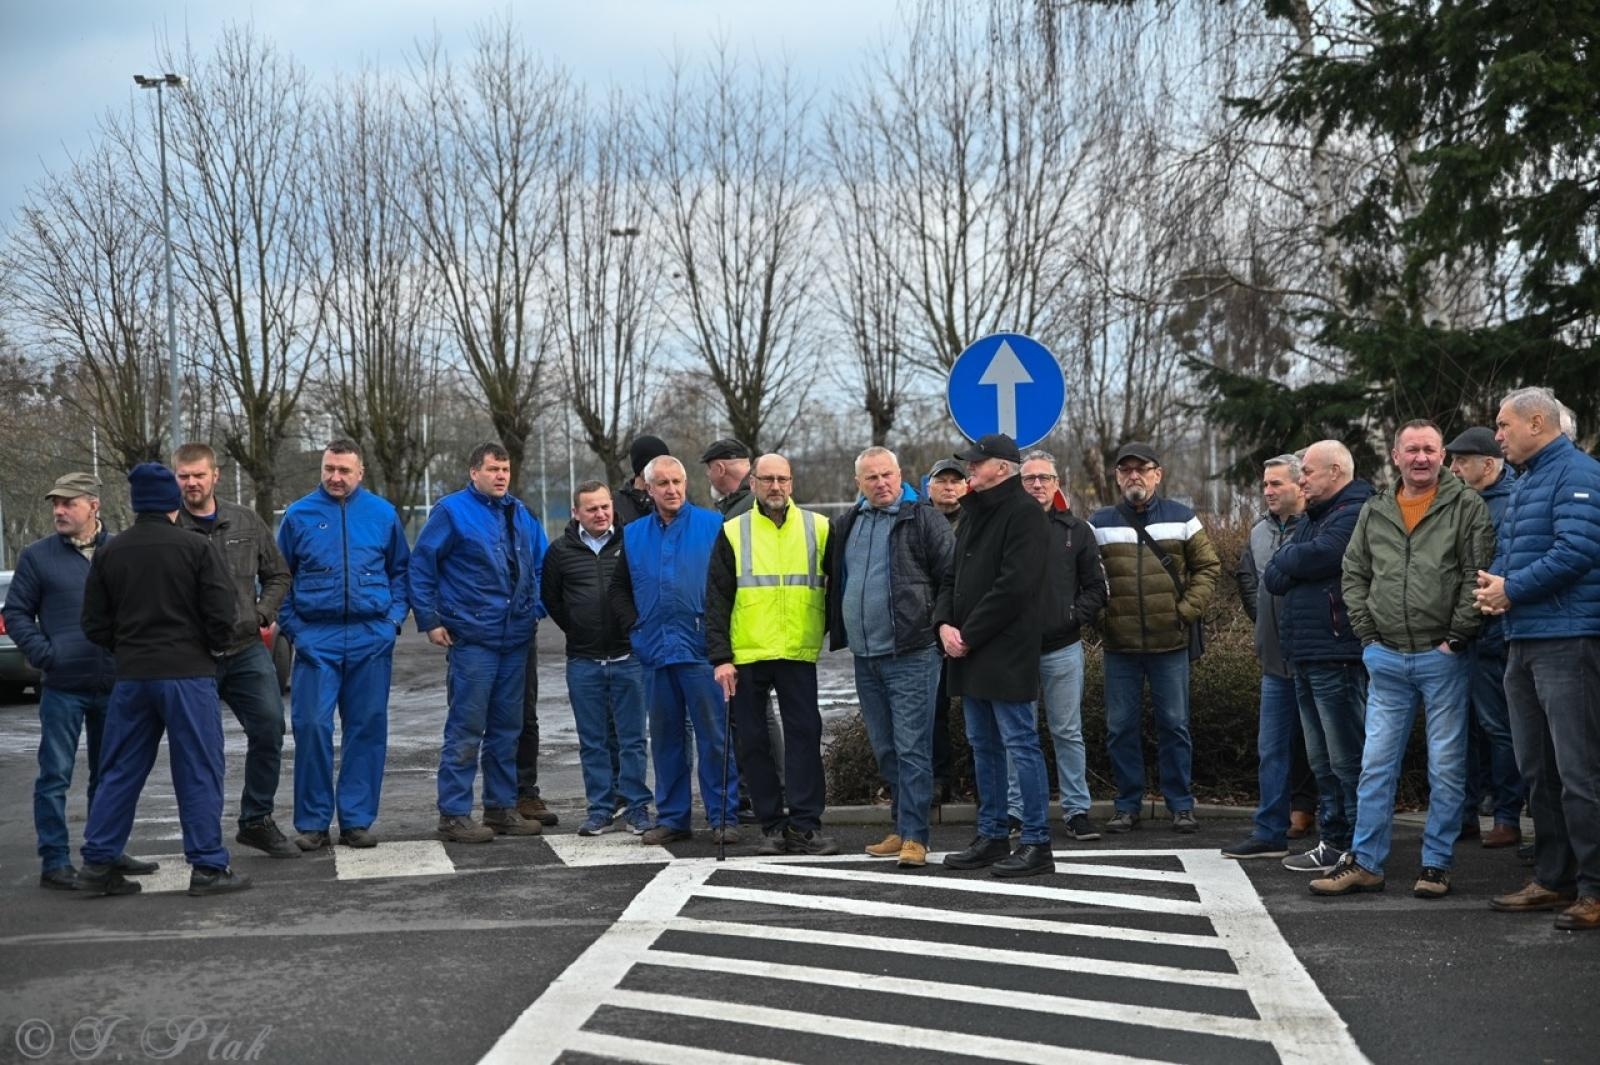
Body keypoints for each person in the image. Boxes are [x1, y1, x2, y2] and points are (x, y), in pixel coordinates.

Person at [1313, 420, 1493, 900]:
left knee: (1447, 767)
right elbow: (1353, 574)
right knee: (1375, 766)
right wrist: (1368, 636)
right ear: (1395, 456)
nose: (1420, 458)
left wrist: (1456, 638)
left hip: (1443, 658)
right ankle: (1366, 863)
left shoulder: (1466, 506)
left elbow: (1477, 576)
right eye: (1411, 449)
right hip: (1386, 658)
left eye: (1429, 450)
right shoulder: (1375, 510)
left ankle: (1436, 865)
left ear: (1441, 456)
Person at [77, 463, 244, 897]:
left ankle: (97, 864)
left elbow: (93, 623)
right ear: (171, 502)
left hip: (133, 675)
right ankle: (207, 866)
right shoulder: (195, 547)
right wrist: (212, 646)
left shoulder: (111, 552)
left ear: (136, 504)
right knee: (199, 770)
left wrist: (128, 646)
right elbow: (222, 612)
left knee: (120, 770)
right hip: (188, 673)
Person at [1479, 387, 1600, 929]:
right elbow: (1515, 556)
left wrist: (1512, 589)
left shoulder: (1577, 473)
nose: (1497, 436)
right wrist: (1495, 591)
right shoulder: (1528, 481)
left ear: (1536, 422)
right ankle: (1555, 880)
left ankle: (1594, 889)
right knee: (1538, 769)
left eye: (1503, 426)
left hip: (1568, 641)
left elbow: (1576, 552)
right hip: (1524, 639)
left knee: (1579, 772)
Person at [3, 473, 158, 890]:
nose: (59, 510)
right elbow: (16, 612)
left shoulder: (123, 550)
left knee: (111, 775)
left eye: (69, 503)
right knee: (55, 774)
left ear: (94, 506)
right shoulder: (38, 557)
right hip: (63, 685)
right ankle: (54, 861)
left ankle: (105, 853)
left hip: (117, 682)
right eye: (56, 502)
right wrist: (44, 653)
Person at [276, 439, 411, 851]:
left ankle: (356, 820)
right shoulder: (298, 516)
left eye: (344, 471)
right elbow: (278, 578)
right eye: (329, 469)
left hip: (372, 636)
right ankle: (313, 823)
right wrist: (296, 629)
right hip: (318, 638)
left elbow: (401, 572)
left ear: (360, 473)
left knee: (367, 729)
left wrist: (391, 622)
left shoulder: (383, 514)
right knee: (312, 726)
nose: (335, 477)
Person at [410, 443, 546, 844]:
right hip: (473, 639)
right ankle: (453, 813)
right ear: (474, 472)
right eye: (492, 469)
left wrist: (534, 607)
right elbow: (422, 566)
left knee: (508, 727)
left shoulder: (519, 512)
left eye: (505, 469)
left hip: (515, 636)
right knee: (467, 727)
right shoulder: (451, 512)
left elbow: (540, 562)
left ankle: (501, 807)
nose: (501, 476)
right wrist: (430, 620)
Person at [825, 447, 953, 866]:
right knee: (885, 748)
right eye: (871, 477)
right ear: (858, 483)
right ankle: (901, 827)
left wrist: (939, 626)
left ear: (900, 476)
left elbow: (950, 577)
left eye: (887, 475)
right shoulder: (847, 525)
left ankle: (916, 836)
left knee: (912, 747)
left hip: (912, 652)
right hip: (866, 656)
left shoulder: (923, 519)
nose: (881, 483)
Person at [934, 433, 1054, 878]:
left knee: (1020, 744)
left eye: (976, 463)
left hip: (1004, 651)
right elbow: (951, 577)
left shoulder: (1024, 514)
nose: (969, 468)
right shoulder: (972, 514)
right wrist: (943, 625)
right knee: (983, 746)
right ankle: (992, 835)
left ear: (1002, 468)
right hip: (968, 650)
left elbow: (1014, 587)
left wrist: (968, 633)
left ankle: (1037, 842)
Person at [707, 453, 838, 856]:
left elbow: (838, 585)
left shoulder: (819, 527)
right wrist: (720, 657)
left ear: (792, 483)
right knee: (752, 742)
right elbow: (716, 598)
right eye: (767, 480)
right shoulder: (733, 531)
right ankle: (771, 825)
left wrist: (827, 627)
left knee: (804, 737)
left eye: (783, 479)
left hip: (798, 650)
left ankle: (804, 825)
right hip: (747, 653)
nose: (776, 487)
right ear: (753, 484)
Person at [173, 443, 298, 859]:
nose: (191, 483)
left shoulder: (245, 520)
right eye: (184, 476)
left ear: (215, 476)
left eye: (198, 475)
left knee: (269, 728)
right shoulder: (169, 527)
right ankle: (203, 832)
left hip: (246, 650)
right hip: (194, 655)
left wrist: (263, 613)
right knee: (200, 748)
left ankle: (256, 820)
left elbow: (278, 573)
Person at [1089, 442, 1221, 834]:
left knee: (1175, 726)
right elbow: (1088, 578)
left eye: (1142, 469)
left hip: (1170, 645)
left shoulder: (1183, 518)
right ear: (1116, 477)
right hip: (1120, 647)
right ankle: (1127, 805)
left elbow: (1208, 567)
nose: (1134, 476)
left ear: (1157, 475)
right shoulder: (1099, 522)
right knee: (1119, 729)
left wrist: (1184, 612)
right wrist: (1103, 618)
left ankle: (1180, 804)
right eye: (1126, 470)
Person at [608, 455, 740, 844]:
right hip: (655, 654)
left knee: (715, 739)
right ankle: (673, 818)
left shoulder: (714, 526)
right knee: (665, 742)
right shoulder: (633, 534)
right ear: (647, 489)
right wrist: (636, 626)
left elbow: (730, 587)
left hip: (702, 653)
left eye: (677, 481)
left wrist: (723, 647)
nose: (672, 489)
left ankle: (722, 817)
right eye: (662, 483)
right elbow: (618, 589)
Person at [1263, 440, 1374, 874]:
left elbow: (1327, 554)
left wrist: (1292, 559)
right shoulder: (1314, 517)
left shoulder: (1355, 510)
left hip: (1338, 653)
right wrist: (1294, 560)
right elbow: (1274, 575)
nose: (1301, 479)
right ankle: (1333, 841)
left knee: (1346, 758)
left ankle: (1358, 846)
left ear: (1336, 471)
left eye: (1307, 472)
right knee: (1322, 759)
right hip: (1306, 654)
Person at [542, 481, 653, 836]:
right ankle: (601, 809)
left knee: (633, 739)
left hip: (628, 657)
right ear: (576, 513)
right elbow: (553, 600)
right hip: (584, 661)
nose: (601, 514)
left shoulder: (632, 543)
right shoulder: (559, 552)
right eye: (592, 509)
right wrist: (578, 628)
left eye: (605, 507)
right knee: (593, 741)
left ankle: (636, 807)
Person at [1223, 454, 1313, 860]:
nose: (1268, 492)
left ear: (1300, 485)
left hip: (1316, 657)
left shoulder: (1319, 527)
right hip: (1274, 662)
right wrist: (1263, 624)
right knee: (1272, 748)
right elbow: (1249, 580)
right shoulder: (1259, 532)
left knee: (1327, 751)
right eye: (1265, 485)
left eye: (1276, 484)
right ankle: (1268, 829)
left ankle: (1338, 826)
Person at [1015, 449, 1107, 841]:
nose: (1037, 484)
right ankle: (1016, 812)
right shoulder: (1004, 528)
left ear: (1057, 483)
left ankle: (1076, 810)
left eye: (1044, 478)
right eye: (1029, 478)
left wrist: (1071, 616)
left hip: (1063, 648)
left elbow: (1096, 588)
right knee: (1017, 736)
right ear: (1019, 484)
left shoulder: (1077, 530)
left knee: (1067, 731)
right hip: (1014, 651)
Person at [1445, 426, 1523, 850]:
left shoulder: (1508, 505)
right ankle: (1467, 814)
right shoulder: (1462, 502)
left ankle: (1508, 816)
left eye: (1462, 461)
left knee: (1497, 727)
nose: (1453, 468)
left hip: (1491, 636)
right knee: (1465, 730)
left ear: (1489, 464)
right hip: (1462, 636)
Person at [924, 456, 968, 799]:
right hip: (929, 630)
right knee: (933, 711)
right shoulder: (916, 520)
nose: (949, 486)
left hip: (971, 629)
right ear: (929, 487)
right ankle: (940, 779)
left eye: (955, 480)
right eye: (942, 481)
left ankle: (979, 779)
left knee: (977, 711)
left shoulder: (979, 521)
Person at [614, 435, 670, 528]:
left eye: (666, 463)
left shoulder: (676, 497)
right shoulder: (615, 505)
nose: (662, 469)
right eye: (655, 464)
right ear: (640, 468)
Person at [702, 438, 755, 517]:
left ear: (721, 469)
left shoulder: (742, 509)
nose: (707, 473)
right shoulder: (760, 498)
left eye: (709, 468)